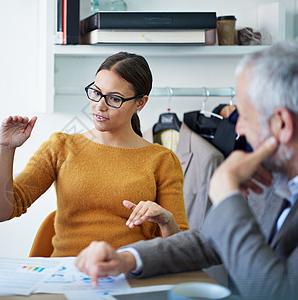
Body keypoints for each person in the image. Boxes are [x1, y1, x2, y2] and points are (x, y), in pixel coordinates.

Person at [75, 40, 298, 299]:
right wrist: (126, 259)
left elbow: (275, 292)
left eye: (245, 117)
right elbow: (211, 241)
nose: (238, 130)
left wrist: (225, 194)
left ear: (282, 124)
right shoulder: (274, 181)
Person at [0, 52, 189, 257]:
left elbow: (183, 250)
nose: (99, 106)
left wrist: (166, 220)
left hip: (127, 273)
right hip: (66, 273)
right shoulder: (61, 147)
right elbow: (1, 212)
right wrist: (6, 149)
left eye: (114, 99)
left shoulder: (162, 160)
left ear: (140, 103)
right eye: (96, 93)